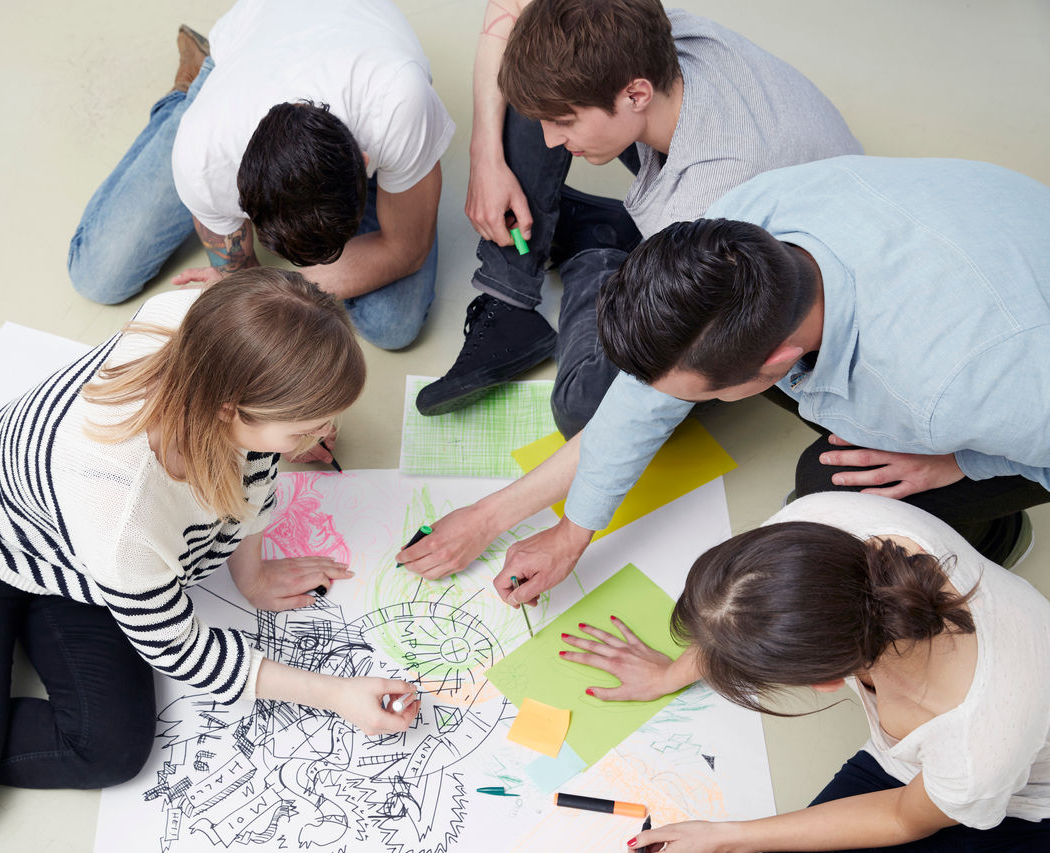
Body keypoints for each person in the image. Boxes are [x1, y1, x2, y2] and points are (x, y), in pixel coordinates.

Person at [0, 270, 419, 848]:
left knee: (109, 749)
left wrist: (250, 572)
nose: (321, 440)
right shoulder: (126, 505)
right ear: (227, 408)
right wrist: (336, 694)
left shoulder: (205, 321)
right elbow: (181, 650)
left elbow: (252, 456)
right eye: (303, 426)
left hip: (70, 561)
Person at [398, 156, 1050, 602]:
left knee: (827, 497)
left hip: (1017, 365)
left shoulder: (952, 387)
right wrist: (552, 528)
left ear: (775, 363)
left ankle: (990, 528)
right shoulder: (744, 225)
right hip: (978, 253)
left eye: (694, 393)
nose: (659, 404)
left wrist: (963, 459)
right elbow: (643, 396)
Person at [416, 0, 859, 434]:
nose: (550, 139)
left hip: (752, 271)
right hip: (723, 162)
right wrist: (485, 154)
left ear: (636, 94)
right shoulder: (639, 29)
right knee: (535, 70)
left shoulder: (709, 205)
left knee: (583, 410)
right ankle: (508, 298)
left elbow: (685, 358)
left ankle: (600, 250)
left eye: (565, 123)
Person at [563, 492, 1050, 851]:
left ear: (824, 680)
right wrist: (669, 674)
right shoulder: (821, 524)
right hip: (944, 758)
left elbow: (904, 817)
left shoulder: (974, 743)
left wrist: (727, 838)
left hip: (1018, 797)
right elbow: (745, 605)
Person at [67, 0, 455, 351]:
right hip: (246, 50)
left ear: (365, 160)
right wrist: (256, 282)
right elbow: (239, 272)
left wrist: (273, 290)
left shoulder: (401, 103)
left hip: (359, 33)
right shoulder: (204, 153)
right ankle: (185, 96)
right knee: (97, 276)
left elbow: (407, 250)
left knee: (394, 326)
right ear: (244, 194)